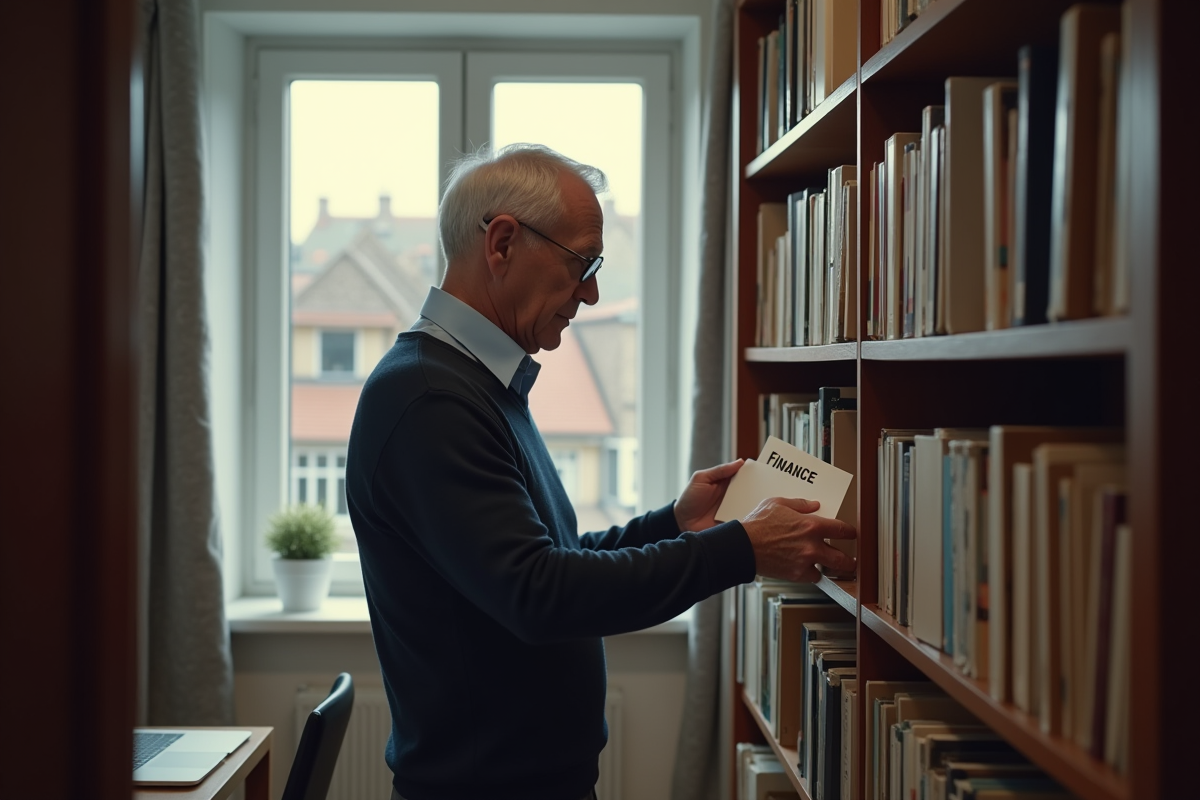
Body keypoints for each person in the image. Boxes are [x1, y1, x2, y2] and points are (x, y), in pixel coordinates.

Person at [345, 143, 857, 800]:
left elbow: (549, 561)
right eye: (582, 263)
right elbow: (541, 594)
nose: (590, 293)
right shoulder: (430, 401)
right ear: (502, 243)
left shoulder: (469, 387)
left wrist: (675, 524)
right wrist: (738, 548)